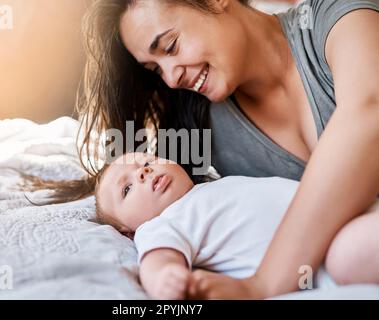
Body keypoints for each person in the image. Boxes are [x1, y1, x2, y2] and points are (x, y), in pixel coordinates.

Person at [32, 0, 379, 298]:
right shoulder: (209, 134)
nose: (170, 78)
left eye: (170, 47)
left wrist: (262, 285)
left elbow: (368, 111)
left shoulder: (336, 17)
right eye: (155, 69)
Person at [94, 152, 379, 299]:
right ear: (128, 232)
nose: (144, 172)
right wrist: (167, 280)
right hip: (322, 256)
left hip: (342, 211)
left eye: (148, 161)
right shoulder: (159, 225)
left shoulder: (214, 185)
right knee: (348, 255)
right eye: (127, 189)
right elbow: (158, 261)